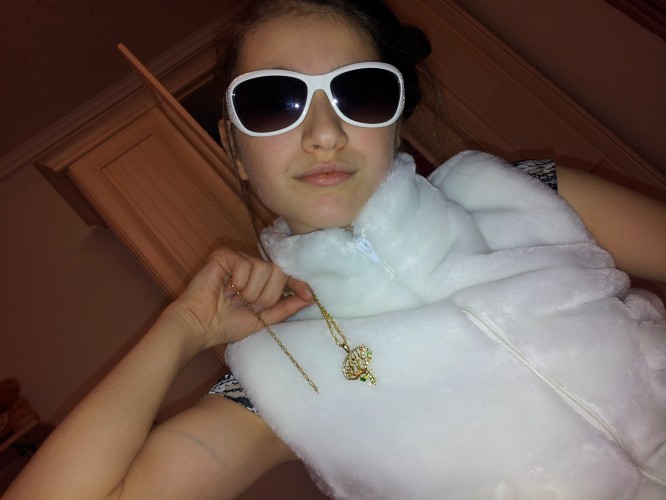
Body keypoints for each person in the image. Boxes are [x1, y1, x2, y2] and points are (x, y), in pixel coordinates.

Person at [6, 1, 666, 498]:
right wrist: (180, 329)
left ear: (395, 119)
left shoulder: (530, 191)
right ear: (233, 147)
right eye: (273, 101)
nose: (323, 132)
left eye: (359, 91)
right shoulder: (277, 377)